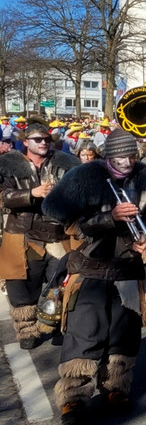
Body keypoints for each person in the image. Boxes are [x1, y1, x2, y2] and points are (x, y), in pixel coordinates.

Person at [41, 128, 146, 425]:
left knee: (123, 332)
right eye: (120, 157)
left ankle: (116, 387)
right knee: (85, 332)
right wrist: (108, 218)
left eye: (131, 156)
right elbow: (66, 221)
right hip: (91, 267)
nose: (127, 162)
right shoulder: (85, 176)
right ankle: (74, 396)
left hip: (128, 267)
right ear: (108, 156)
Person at [0, 117, 80, 348]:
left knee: (61, 284)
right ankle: (27, 330)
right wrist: (31, 193)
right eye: (37, 139)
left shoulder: (65, 162)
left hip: (58, 233)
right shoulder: (9, 164)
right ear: (26, 142)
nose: (43, 142)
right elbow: (3, 197)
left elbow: (78, 194)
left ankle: (57, 325)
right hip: (24, 234)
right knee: (22, 286)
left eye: (46, 139)